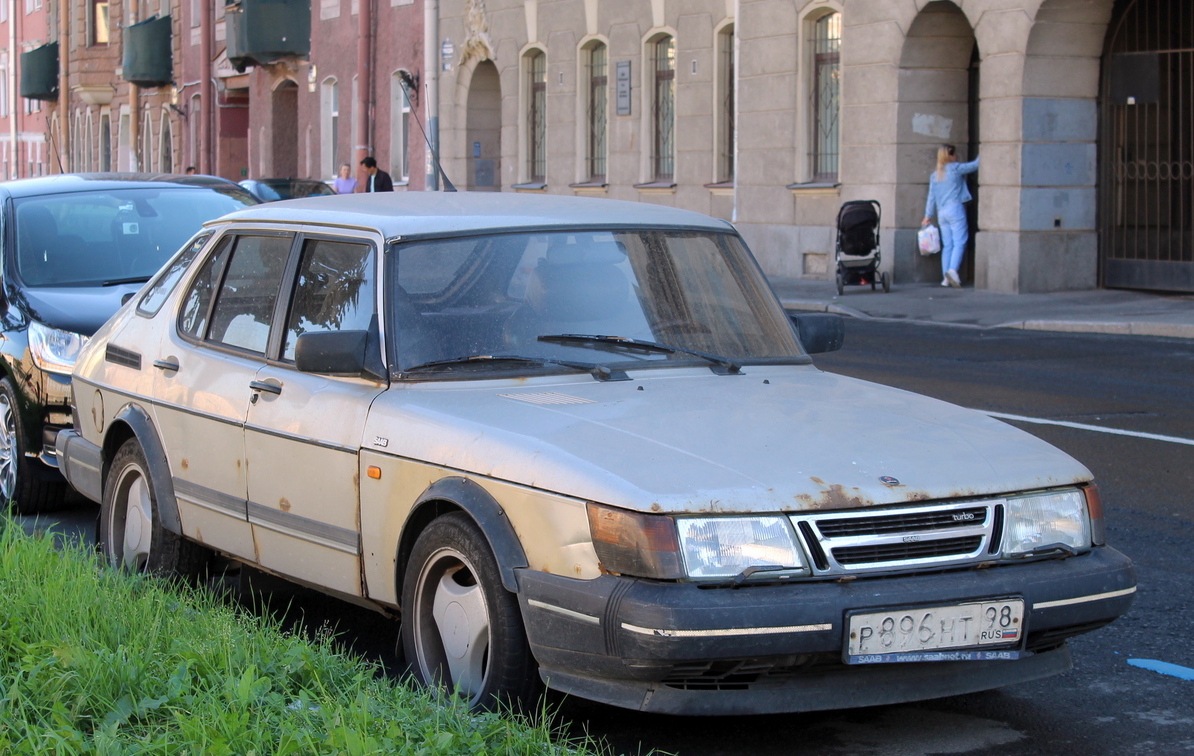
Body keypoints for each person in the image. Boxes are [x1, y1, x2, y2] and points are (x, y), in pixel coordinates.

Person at [922, 144, 979, 288]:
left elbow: (931, 198)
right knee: (960, 241)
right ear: (950, 155)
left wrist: (928, 215)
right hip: (955, 208)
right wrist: (985, 150)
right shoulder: (955, 168)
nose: (957, 156)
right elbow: (975, 165)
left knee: (947, 245)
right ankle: (953, 271)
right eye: (955, 154)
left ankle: (945, 278)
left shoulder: (935, 175)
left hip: (942, 213)